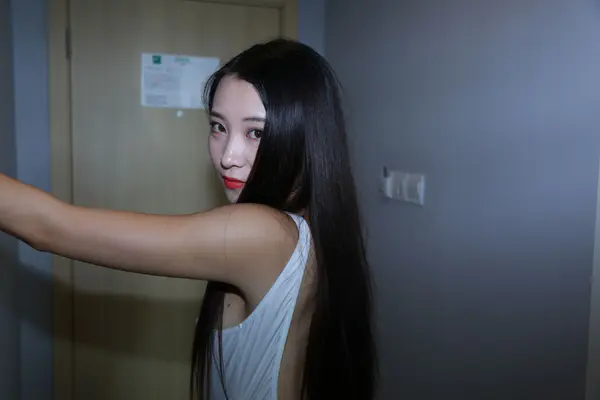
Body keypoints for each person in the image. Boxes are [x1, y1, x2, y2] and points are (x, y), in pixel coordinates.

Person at [0, 38, 377, 399]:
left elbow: (48, 227)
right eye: (218, 127)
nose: (228, 156)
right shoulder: (313, 226)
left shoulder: (263, 233)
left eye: (256, 132)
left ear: (305, 136)